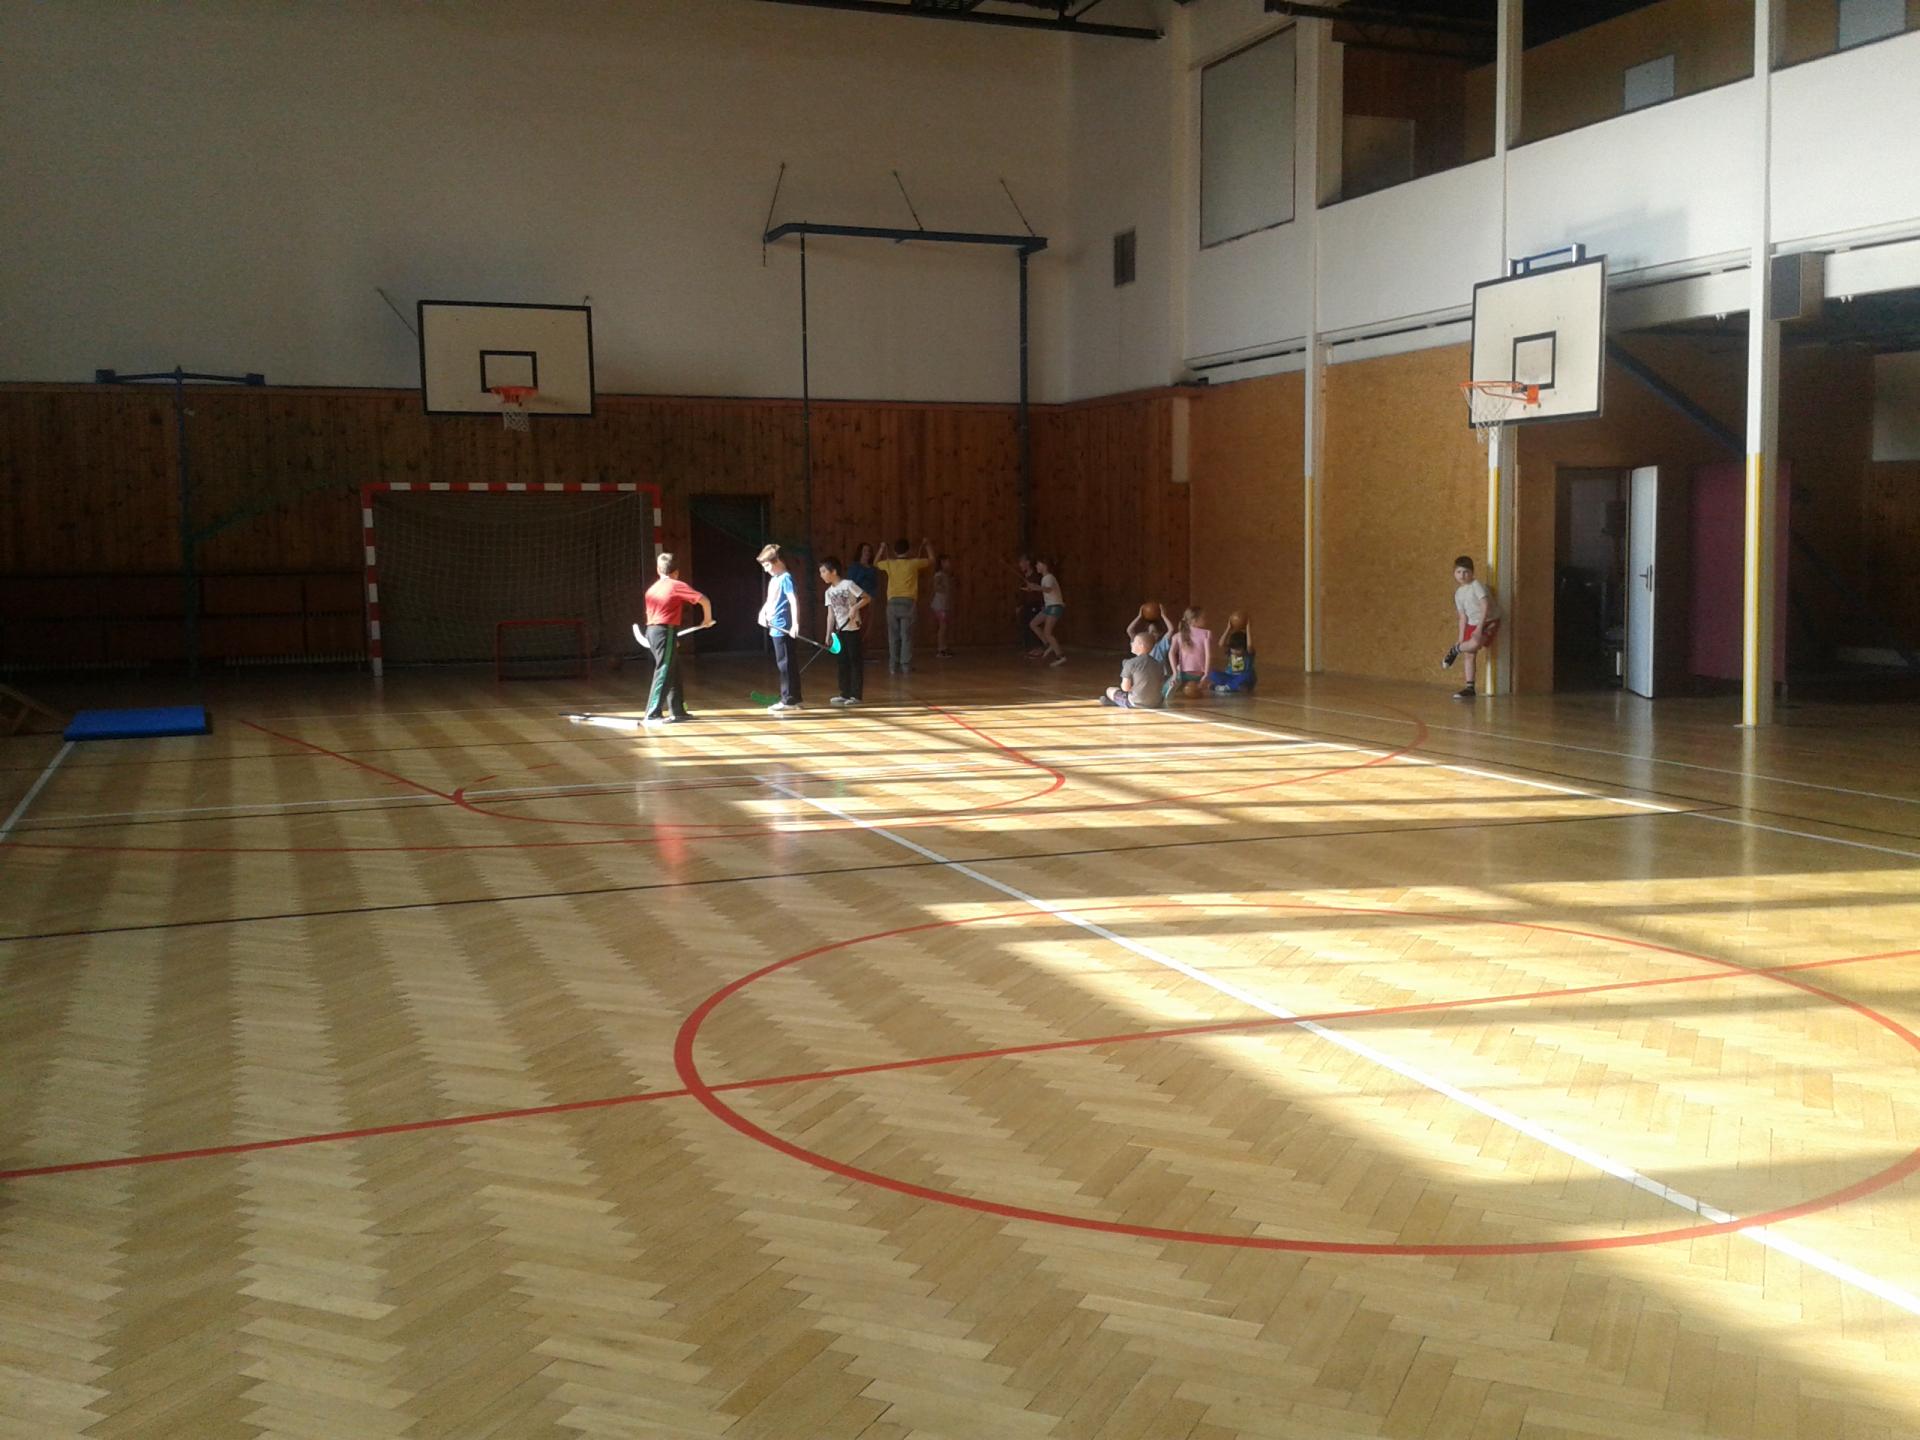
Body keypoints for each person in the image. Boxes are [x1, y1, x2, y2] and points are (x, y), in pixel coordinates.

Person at [640, 552, 714, 724]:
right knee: (664, 670)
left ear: (658, 569)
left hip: (655, 631)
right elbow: (704, 600)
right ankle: (652, 713)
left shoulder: (652, 588)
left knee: (673, 669)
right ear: (677, 572)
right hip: (664, 631)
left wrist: (672, 637)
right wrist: (707, 619)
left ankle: (678, 711)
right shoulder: (675, 585)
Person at [1443, 554, 1502, 700]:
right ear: (1454, 573)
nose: (1462, 575)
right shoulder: (1459, 593)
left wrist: (1479, 628)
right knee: (1469, 653)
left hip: (1488, 620)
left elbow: (1485, 606)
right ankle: (1470, 688)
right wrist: (1460, 639)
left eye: (1466, 572)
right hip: (1472, 622)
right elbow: (1463, 617)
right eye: (1458, 572)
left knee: (1475, 643)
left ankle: (1455, 651)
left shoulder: (1477, 586)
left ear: (1472, 572)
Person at [875, 537, 934, 674]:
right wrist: (927, 545)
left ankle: (893, 666)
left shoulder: (889, 563)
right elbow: (932, 560)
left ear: (895, 551)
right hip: (908, 602)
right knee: (906, 635)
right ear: (908, 550)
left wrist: (882, 548)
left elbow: (875, 563)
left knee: (893, 636)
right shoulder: (914, 563)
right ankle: (905, 665)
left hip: (892, 602)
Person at [755, 543, 803, 712]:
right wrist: (763, 613)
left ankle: (788, 700)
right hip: (775, 627)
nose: (766, 569)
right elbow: (771, 600)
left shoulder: (786, 578)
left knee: (785, 664)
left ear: (778, 561)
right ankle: (793, 698)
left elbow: (793, 601)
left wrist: (795, 624)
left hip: (784, 627)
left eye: (767, 565)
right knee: (785, 663)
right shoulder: (774, 579)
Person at [819, 556, 870, 707]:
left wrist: (855, 607)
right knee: (842, 662)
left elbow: (866, 598)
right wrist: (828, 634)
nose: (821, 575)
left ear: (833, 571)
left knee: (855, 661)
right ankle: (844, 693)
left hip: (852, 629)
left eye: (823, 571)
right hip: (839, 631)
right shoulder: (828, 592)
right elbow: (830, 615)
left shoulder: (848, 584)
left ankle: (856, 695)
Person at [1101, 631, 1167, 708]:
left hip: (1136, 702)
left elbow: (1125, 688)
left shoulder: (1131, 663)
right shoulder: (1158, 664)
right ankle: (1117, 702)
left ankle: (1118, 702)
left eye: (1134, 642)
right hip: (1156, 703)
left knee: (1110, 690)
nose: (1131, 643)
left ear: (1141, 645)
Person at [1162, 605, 1212, 699]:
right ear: (1194, 620)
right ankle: (1198, 686)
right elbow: (1208, 655)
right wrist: (1206, 673)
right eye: (1203, 618)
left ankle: (1175, 684)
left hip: (1183, 673)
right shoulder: (1206, 633)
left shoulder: (1177, 635)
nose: (1206, 620)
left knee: (1163, 692)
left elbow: (1171, 653)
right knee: (1201, 688)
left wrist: (1174, 673)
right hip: (1199, 674)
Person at [1026, 559, 1067, 666]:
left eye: (1038, 564)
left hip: (1055, 606)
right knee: (1033, 624)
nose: (1036, 566)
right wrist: (1034, 588)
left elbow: (1048, 589)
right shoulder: (1045, 578)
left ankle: (1060, 656)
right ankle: (1048, 645)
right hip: (1049, 607)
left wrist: (1035, 587)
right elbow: (1045, 590)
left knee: (1047, 632)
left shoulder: (1049, 577)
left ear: (1045, 565)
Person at [1209, 612, 1257, 695]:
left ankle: (1226, 687)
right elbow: (1221, 644)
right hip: (1230, 677)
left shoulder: (1248, 654)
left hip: (1243, 678)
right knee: (1212, 674)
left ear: (1244, 648)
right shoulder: (1230, 653)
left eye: (1238, 649)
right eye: (1233, 649)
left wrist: (1248, 628)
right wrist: (1228, 628)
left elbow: (1249, 645)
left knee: (1248, 674)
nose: (1235, 651)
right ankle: (1234, 687)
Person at [930, 554, 956, 657]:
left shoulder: (945, 575)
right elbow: (936, 587)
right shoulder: (939, 575)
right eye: (947, 562)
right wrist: (945, 588)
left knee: (945, 626)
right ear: (942, 563)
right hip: (940, 605)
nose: (949, 564)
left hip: (944, 605)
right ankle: (941, 649)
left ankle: (944, 646)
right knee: (943, 626)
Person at [1014, 556, 1042, 648]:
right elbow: (1022, 593)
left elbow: (1042, 591)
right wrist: (1019, 605)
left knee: (1033, 626)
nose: (1020, 565)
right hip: (1026, 605)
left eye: (1021, 562)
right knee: (1025, 626)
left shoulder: (1036, 577)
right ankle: (1029, 648)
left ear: (1028, 562)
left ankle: (1038, 648)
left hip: (1035, 605)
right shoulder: (1024, 577)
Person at [847, 542, 881, 606]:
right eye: (865, 550)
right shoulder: (854, 567)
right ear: (860, 552)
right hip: (857, 599)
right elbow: (850, 584)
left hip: (870, 600)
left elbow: (874, 584)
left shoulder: (872, 568)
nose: (867, 553)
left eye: (869, 551)